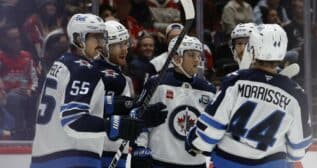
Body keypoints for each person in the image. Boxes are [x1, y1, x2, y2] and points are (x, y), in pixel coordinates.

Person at [30, 13, 167, 168]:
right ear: (78, 39)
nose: (102, 45)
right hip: (72, 157)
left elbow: (84, 104)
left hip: (45, 155)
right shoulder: (84, 69)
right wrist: (116, 125)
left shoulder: (63, 63)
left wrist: (125, 106)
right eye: (97, 38)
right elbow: (73, 119)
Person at [185, 24, 312, 168]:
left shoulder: (235, 81)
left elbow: (210, 131)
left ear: (253, 47)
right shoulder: (297, 94)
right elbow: (298, 150)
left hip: (229, 162)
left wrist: (194, 142)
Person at [132, 36, 216, 168]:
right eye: (191, 55)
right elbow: (140, 118)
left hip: (196, 163)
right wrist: (140, 148)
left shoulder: (208, 89)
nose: (196, 59)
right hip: (160, 160)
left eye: (198, 55)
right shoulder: (157, 83)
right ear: (177, 58)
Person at [92, 20, 134, 168]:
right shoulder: (109, 76)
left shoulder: (116, 73)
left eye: (125, 44)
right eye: (119, 45)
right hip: (104, 150)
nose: (125, 49)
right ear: (104, 48)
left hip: (110, 149)